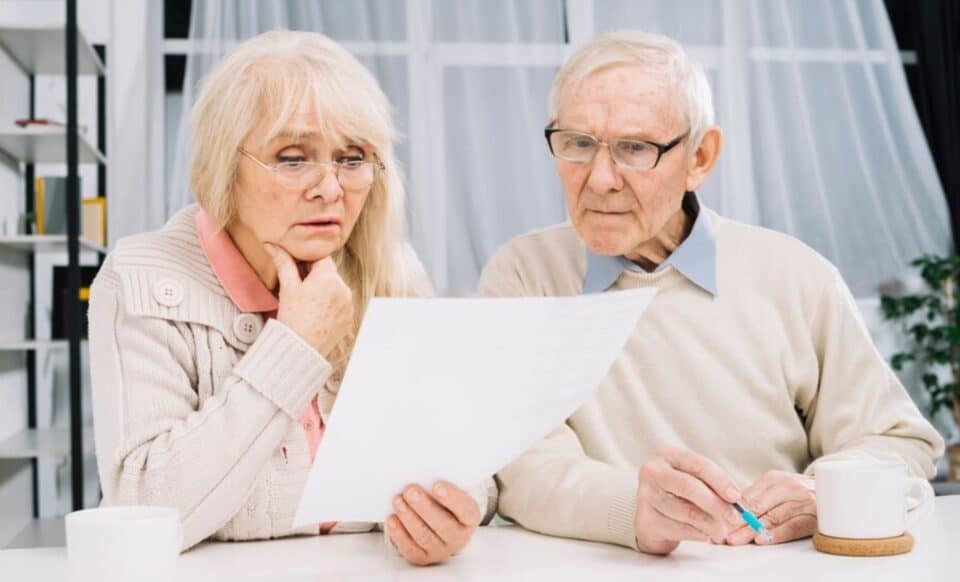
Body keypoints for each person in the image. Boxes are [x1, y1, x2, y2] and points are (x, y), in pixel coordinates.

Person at [478, 30, 944, 556]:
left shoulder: (794, 275)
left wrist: (821, 492)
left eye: (634, 148)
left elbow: (898, 441)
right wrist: (634, 507)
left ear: (700, 157)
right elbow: (518, 464)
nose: (600, 178)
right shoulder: (522, 274)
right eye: (578, 144)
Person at [89, 30, 496, 564]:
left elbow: (473, 472)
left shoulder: (395, 272)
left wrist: (450, 513)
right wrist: (294, 344)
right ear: (223, 169)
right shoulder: (141, 276)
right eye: (292, 157)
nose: (330, 188)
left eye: (351, 159)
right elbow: (146, 511)